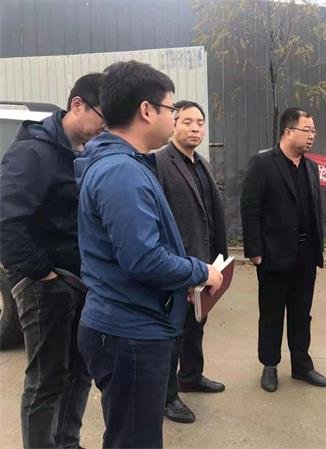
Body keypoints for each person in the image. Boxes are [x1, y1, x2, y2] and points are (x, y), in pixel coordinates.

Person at [75, 61, 222, 449]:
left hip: (130, 324)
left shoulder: (128, 164)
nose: (174, 118)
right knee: (134, 439)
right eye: (172, 109)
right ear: (146, 110)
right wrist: (200, 271)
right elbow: (143, 259)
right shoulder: (122, 172)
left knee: (129, 434)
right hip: (130, 332)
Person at [0, 73, 104, 449]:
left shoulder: (84, 152)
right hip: (46, 285)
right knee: (46, 379)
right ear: (77, 105)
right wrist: (43, 274)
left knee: (80, 370)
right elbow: (6, 223)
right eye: (103, 117)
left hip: (80, 281)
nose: (105, 127)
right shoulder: (34, 151)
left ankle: (66, 442)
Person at [240, 107, 326, 392]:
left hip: (305, 255)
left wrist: (318, 249)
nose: (312, 136)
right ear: (288, 131)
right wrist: (255, 250)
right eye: (307, 130)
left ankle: (302, 365)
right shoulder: (263, 163)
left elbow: (316, 210)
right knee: (271, 313)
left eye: (314, 131)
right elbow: (250, 208)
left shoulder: (311, 168)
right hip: (273, 255)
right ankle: (270, 365)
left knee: (302, 314)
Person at [154, 100, 227, 424]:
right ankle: (167, 397)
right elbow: (158, 222)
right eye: (187, 122)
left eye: (199, 122)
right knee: (174, 333)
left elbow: (210, 214)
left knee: (196, 324)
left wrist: (218, 260)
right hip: (178, 265)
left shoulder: (202, 163)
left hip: (205, 262)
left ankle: (191, 376)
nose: (195, 128)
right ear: (173, 125)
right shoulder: (159, 163)